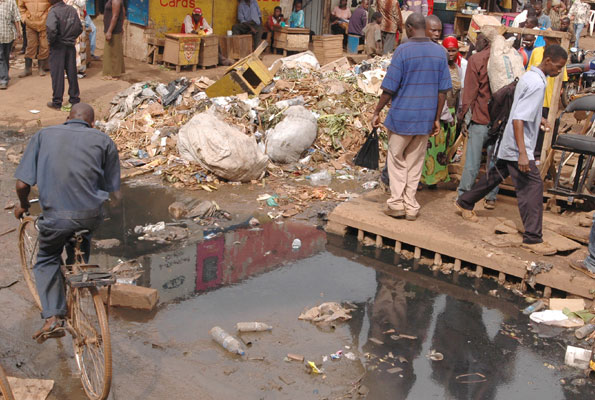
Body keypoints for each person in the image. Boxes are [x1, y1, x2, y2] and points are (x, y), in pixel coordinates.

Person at [14, 103, 121, 341]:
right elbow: (114, 192)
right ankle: (77, 275)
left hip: (56, 218)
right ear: (92, 123)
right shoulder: (103, 140)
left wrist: (22, 205)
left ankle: (53, 317)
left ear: (67, 118)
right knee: (81, 239)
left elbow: (22, 185)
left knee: (46, 258)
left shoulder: (44, 135)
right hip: (90, 216)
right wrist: (109, 207)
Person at [455, 45, 568, 256]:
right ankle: (533, 238)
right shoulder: (535, 83)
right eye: (558, 66)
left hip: (510, 143)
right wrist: (523, 153)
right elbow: (518, 118)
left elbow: (520, 109)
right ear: (548, 61)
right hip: (518, 146)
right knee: (533, 188)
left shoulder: (529, 77)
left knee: (495, 176)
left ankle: (464, 202)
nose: (559, 71)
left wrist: (538, 119)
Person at [372, 13, 451, 221]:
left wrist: (376, 111)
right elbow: (443, 91)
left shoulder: (403, 50)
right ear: (424, 27)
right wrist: (435, 118)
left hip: (401, 117)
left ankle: (397, 203)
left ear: (408, 28)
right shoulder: (440, 53)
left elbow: (389, 87)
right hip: (425, 118)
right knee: (415, 163)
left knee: (396, 159)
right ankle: (411, 205)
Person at [457, 33, 499, 209]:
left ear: (485, 41)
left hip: (480, 117)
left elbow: (470, 92)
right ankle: (490, 197)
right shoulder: (504, 58)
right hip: (500, 120)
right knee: (494, 161)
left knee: (472, 162)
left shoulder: (477, 59)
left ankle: (464, 195)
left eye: (478, 40)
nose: (475, 44)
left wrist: (464, 117)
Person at [422, 36, 461, 186]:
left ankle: (437, 179)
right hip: (438, 113)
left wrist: (458, 113)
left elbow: (459, 93)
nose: (451, 54)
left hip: (451, 113)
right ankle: (424, 179)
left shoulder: (458, 69)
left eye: (454, 51)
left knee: (444, 149)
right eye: (448, 51)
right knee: (431, 149)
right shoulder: (437, 70)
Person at [526, 36, 568, 159]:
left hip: (548, 99)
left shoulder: (559, 57)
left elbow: (563, 80)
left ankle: (538, 156)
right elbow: (529, 69)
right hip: (535, 97)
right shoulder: (537, 52)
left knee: (543, 131)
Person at [46, 0, 81, 109]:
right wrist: (71, 38)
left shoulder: (53, 12)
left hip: (58, 46)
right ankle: (74, 99)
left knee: (57, 74)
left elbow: (51, 29)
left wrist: (52, 42)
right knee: (72, 72)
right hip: (70, 45)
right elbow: (79, 27)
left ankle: (57, 102)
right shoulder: (71, 10)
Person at [18, 0, 50, 77]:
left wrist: (47, 16)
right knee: (31, 46)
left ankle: (41, 68)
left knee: (44, 46)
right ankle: (27, 69)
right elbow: (21, 8)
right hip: (30, 23)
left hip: (44, 24)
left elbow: (52, 5)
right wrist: (25, 19)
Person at [0, 0, 22, 90]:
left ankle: (4, 75)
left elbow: (16, 18)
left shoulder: (11, 2)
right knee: (0, 57)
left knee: (5, 56)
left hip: (8, 34)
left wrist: (18, 32)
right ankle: (4, 79)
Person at [102, 0, 125, 80]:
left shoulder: (116, 1)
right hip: (113, 28)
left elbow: (115, 16)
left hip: (113, 30)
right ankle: (112, 73)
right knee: (111, 51)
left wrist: (109, 31)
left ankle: (114, 74)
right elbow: (123, 12)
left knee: (114, 52)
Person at [64, 0, 86, 77]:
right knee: (71, 46)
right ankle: (70, 70)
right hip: (69, 22)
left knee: (80, 46)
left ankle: (80, 70)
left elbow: (82, 4)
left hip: (79, 23)